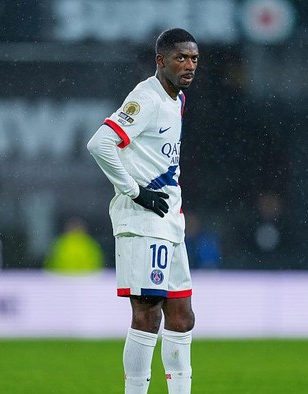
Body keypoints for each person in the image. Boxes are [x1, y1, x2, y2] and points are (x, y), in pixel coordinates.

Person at [87, 28, 199, 394]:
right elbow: (100, 143)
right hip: (142, 220)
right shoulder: (146, 96)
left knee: (182, 317)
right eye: (180, 57)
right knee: (148, 314)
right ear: (160, 60)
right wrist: (135, 192)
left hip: (170, 220)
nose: (188, 65)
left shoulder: (177, 99)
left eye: (194, 58)